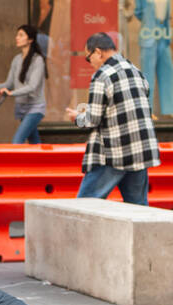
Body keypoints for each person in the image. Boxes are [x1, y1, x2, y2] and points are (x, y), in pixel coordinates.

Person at [63, 32, 159, 205]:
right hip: (140, 151)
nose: (89, 62)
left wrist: (77, 118)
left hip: (113, 152)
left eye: (88, 57)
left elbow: (93, 119)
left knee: (85, 206)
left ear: (98, 52)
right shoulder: (137, 72)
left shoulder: (102, 76)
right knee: (139, 210)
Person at [0, 24, 47, 144]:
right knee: (35, 143)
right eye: (17, 35)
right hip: (21, 108)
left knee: (17, 141)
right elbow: (10, 83)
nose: (17, 37)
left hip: (35, 108)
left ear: (30, 40)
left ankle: (16, 163)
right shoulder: (17, 59)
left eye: (21, 35)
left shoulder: (38, 60)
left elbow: (32, 86)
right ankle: (45, 163)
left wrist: (11, 93)